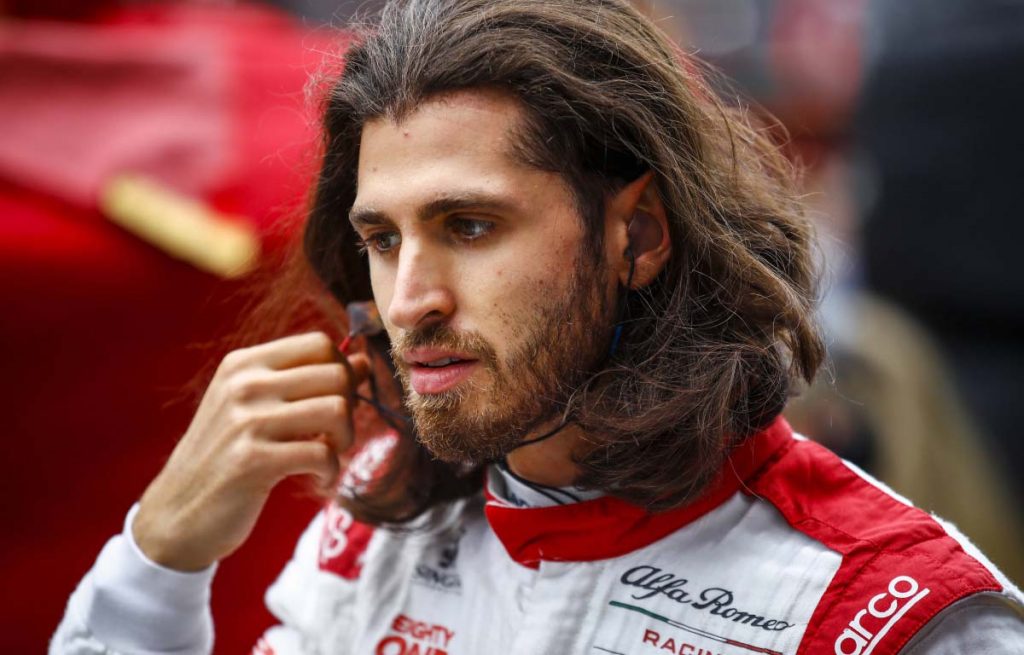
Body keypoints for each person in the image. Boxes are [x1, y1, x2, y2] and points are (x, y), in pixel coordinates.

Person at [53, 1, 1023, 653]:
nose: (410, 299)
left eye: (469, 226)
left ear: (635, 232)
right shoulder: (380, 514)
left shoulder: (885, 608)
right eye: (382, 239)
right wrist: (159, 558)